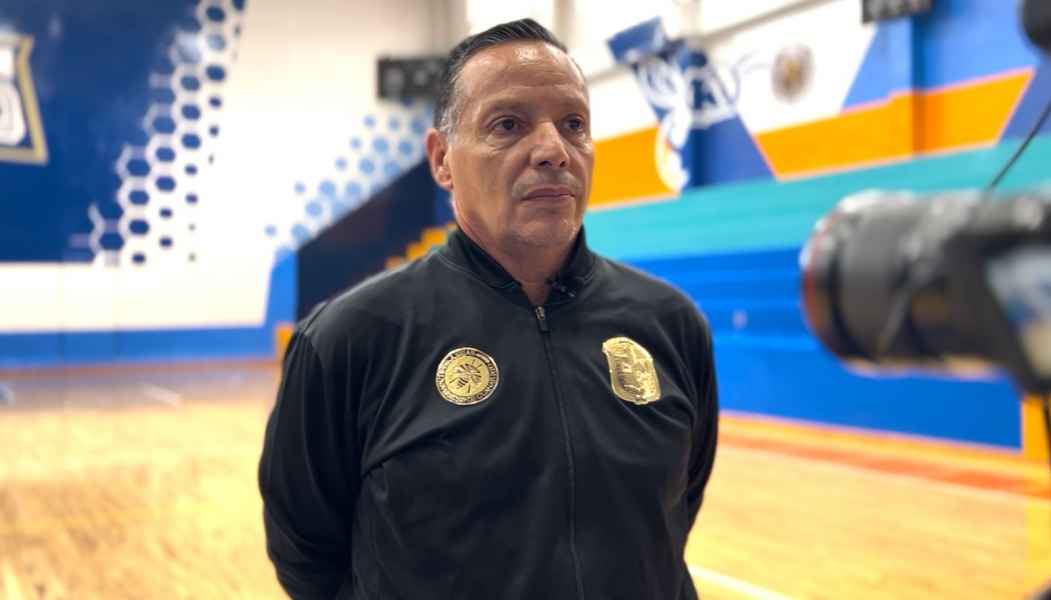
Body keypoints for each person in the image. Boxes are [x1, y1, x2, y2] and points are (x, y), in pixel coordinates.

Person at [259, 18, 718, 600]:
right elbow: (308, 558)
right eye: (508, 125)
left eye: (573, 124)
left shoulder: (670, 323)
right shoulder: (350, 338)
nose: (553, 150)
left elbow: (674, 512)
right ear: (442, 160)